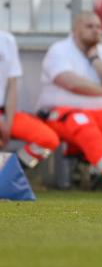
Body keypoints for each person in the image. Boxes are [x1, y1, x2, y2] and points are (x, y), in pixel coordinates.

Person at [36, 12, 102, 190]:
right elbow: (70, 82)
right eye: (89, 26)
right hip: (63, 112)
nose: (95, 31)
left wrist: (94, 59)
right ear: (75, 29)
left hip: (99, 111)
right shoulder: (59, 49)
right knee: (82, 123)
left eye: (98, 27)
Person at [0, 30, 60, 170]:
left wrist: (8, 124)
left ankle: (10, 171)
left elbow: (12, 86)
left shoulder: (7, 40)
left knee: (48, 139)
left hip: (5, 113)